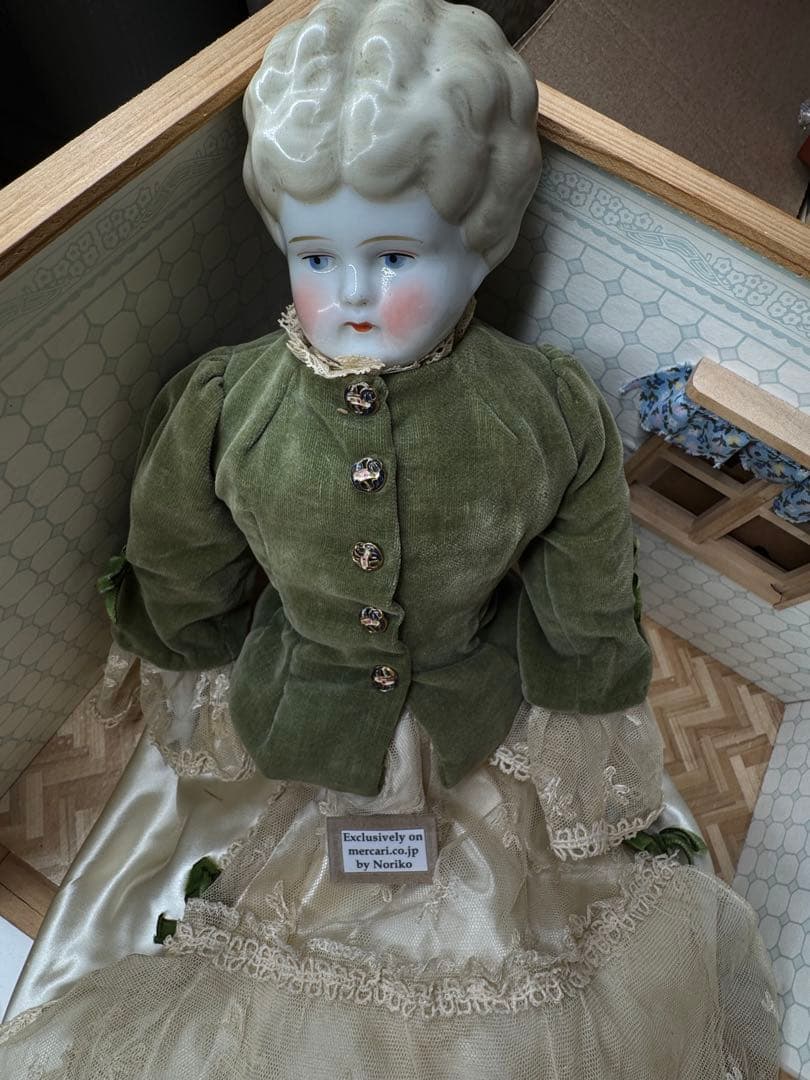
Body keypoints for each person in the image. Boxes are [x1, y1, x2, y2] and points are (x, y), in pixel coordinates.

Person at [0, 1, 778, 1076]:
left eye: (396, 254)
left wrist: (585, 673)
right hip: (295, 703)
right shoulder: (228, 405)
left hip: (473, 701)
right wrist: (181, 642)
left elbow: (584, 565)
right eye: (315, 256)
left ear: (481, 247)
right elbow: (184, 556)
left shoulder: (542, 409)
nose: (353, 293)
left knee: (535, 932)